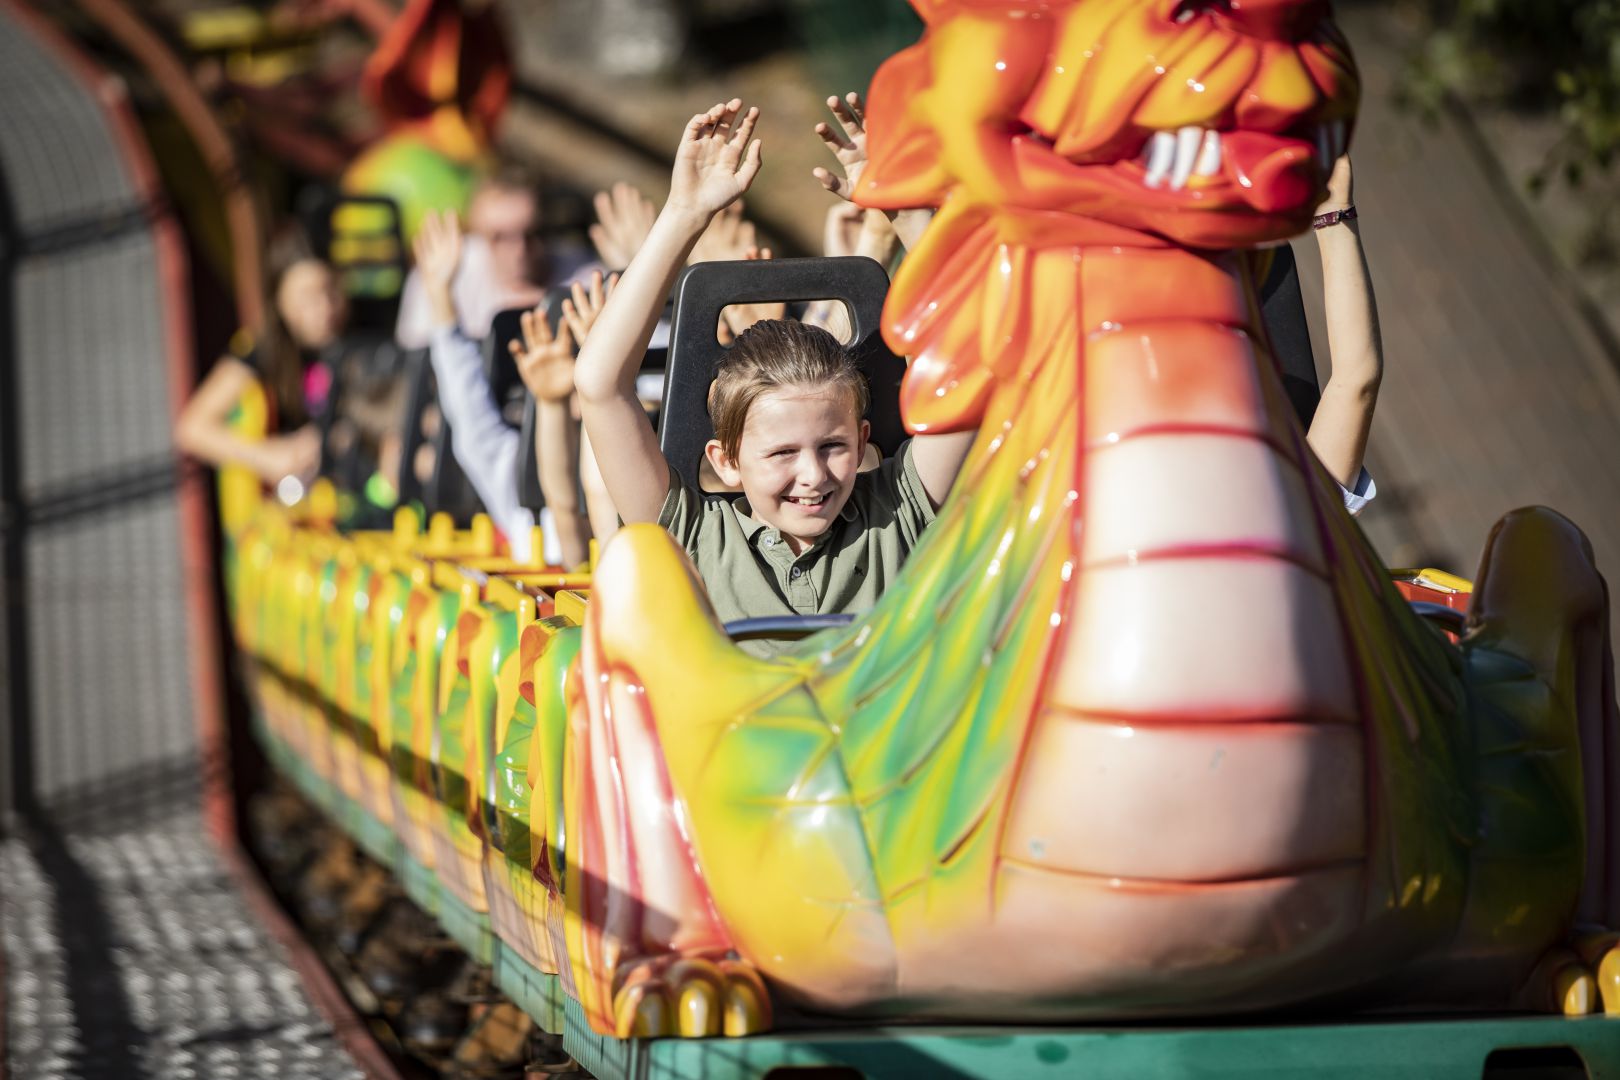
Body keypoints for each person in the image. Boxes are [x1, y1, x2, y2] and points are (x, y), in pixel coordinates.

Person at [573, 100, 974, 653]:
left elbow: (972, 361)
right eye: (782, 453)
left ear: (862, 441)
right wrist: (685, 213)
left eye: (832, 446)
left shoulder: (897, 510)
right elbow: (600, 385)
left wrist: (909, 220)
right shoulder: (692, 535)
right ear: (726, 460)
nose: (812, 475)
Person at [412, 209, 601, 566]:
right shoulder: (512, 472)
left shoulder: (647, 461)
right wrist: (440, 296)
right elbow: (468, 407)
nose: (581, 397)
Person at [175, 229, 343, 492]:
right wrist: (268, 456)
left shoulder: (363, 329)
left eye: (329, 290)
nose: (324, 308)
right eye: (307, 298)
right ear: (279, 301)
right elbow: (192, 428)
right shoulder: (264, 349)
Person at [1303, 154, 1382, 515]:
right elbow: (1356, 379)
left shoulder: (1294, 519)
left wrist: (1333, 208)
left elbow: (1357, 379)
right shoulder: (1293, 517)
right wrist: (1333, 209)